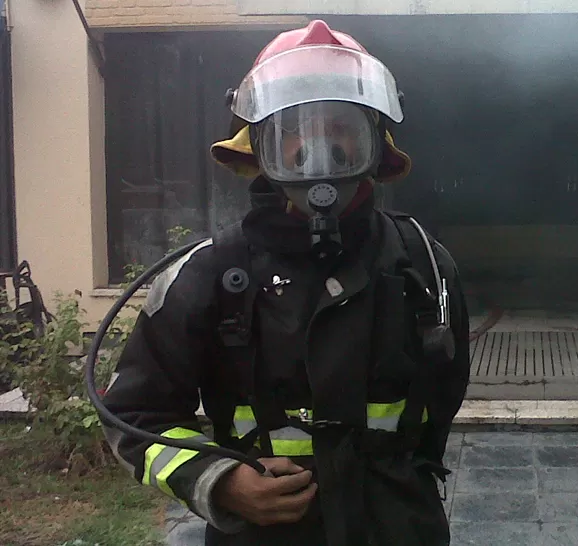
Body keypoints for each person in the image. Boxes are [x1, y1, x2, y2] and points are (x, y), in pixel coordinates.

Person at [99, 19, 471, 546]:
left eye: (341, 128)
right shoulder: (207, 274)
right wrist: (221, 482)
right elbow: (133, 414)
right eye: (294, 130)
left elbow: (442, 403)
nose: (318, 151)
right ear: (259, 149)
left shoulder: (425, 267)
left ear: (374, 144)